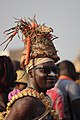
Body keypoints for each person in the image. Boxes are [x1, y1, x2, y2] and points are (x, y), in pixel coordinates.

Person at [2, 16, 61, 120]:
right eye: (45, 70)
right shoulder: (26, 103)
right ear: (30, 73)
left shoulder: (42, 99)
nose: (52, 74)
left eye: (55, 70)